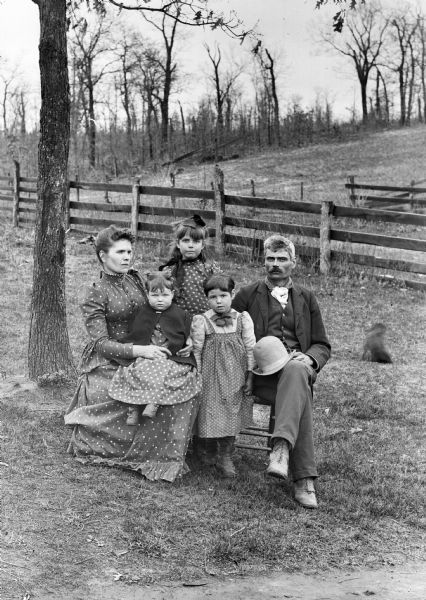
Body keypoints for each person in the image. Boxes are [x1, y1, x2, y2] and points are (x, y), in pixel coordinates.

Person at [65, 225, 200, 483]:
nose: (127, 257)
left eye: (129, 251)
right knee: (146, 384)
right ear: (103, 255)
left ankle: (169, 454)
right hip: (111, 356)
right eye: (120, 252)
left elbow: (167, 305)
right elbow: (101, 343)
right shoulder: (95, 290)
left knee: (183, 380)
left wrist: (187, 336)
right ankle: (143, 454)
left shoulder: (136, 278)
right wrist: (141, 350)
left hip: (150, 347)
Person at [232, 235, 331, 508]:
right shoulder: (247, 295)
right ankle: (304, 480)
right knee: (302, 395)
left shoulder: (307, 298)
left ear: (294, 263)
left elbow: (322, 344)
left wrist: (311, 358)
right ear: (264, 261)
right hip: (263, 377)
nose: (275, 265)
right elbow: (226, 332)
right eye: (270, 259)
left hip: (296, 371)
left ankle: (281, 448)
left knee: (298, 369)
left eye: (282, 259)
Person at [108, 271, 200, 425]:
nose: (160, 300)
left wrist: (189, 342)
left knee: (164, 371)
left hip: (169, 355)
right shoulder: (142, 312)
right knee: (133, 370)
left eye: (164, 295)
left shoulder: (181, 314)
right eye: (155, 295)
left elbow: (187, 332)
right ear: (148, 295)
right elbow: (136, 334)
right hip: (146, 353)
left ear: (172, 294)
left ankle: (154, 402)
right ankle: (133, 408)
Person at [191, 274, 256, 478]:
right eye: (213, 297)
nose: (218, 301)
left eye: (223, 296)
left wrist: (250, 376)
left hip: (235, 375)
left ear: (232, 295)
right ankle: (207, 448)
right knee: (209, 410)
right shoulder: (202, 321)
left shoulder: (242, 319)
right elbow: (196, 350)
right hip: (210, 377)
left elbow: (251, 348)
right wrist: (198, 375)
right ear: (207, 299)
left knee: (231, 411)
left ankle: (226, 454)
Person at [159, 214, 221, 319]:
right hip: (177, 321)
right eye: (186, 240)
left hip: (205, 320)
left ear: (202, 245)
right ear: (178, 244)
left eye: (196, 241)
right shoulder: (169, 269)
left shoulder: (210, 267)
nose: (191, 245)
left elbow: (221, 292)